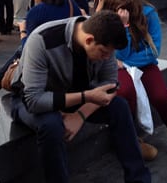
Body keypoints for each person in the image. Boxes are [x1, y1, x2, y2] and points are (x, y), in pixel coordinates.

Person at [10, 11, 151, 183]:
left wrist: (80, 115)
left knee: (119, 107)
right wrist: (87, 96)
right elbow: (33, 100)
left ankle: (139, 178)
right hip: (28, 100)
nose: (107, 58)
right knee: (51, 125)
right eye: (104, 52)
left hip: (75, 96)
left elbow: (111, 85)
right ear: (89, 40)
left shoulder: (103, 36)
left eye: (110, 54)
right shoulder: (42, 40)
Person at [101, 0, 167, 160]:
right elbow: (115, 53)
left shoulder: (148, 14)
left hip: (140, 63)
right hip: (117, 65)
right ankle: (130, 140)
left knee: (160, 95)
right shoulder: (107, 17)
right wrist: (122, 27)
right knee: (125, 91)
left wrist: (127, 61)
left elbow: (153, 51)